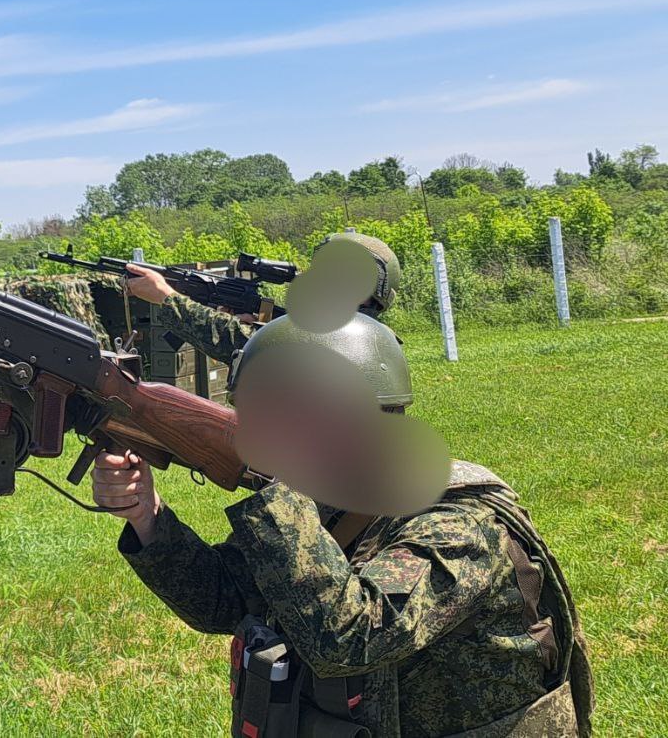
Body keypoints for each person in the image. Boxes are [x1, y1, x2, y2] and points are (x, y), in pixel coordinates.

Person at [91, 313, 593, 737]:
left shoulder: (462, 527)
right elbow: (227, 601)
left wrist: (274, 490)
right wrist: (148, 519)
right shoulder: (333, 500)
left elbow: (352, 635)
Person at [123, 232, 401, 362]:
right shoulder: (374, 334)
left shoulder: (349, 336)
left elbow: (235, 340)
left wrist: (167, 297)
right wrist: (261, 325)